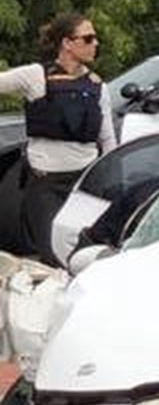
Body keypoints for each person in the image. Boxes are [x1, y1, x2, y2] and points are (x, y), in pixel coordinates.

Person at [0, 14, 117, 264]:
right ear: (67, 43)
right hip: (46, 184)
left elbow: (108, 140)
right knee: (52, 254)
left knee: (81, 254)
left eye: (95, 38)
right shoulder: (36, 75)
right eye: (88, 38)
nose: (94, 43)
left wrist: (110, 178)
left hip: (83, 183)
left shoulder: (98, 86)